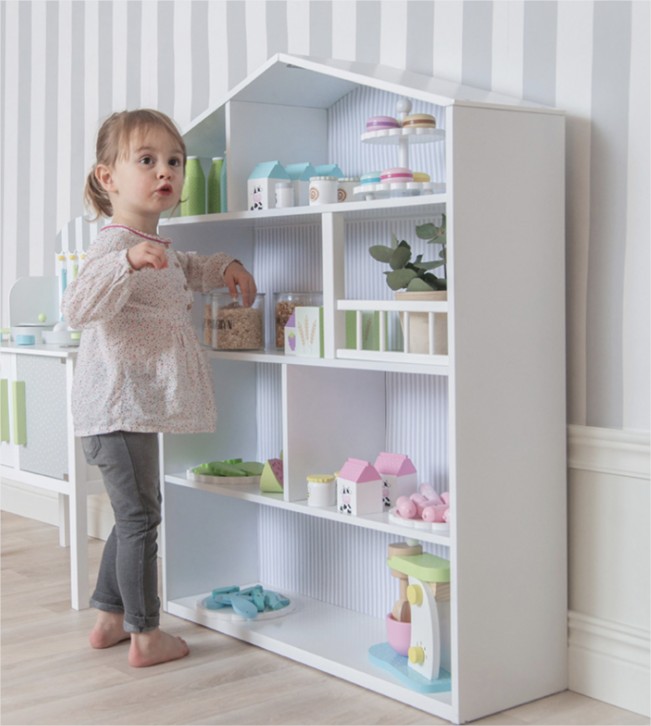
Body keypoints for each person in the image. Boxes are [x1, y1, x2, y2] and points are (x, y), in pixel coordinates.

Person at [62, 109, 256, 667]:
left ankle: (109, 617)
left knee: (136, 514)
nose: (164, 171)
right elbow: (77, 308)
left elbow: (185, 266)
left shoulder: (151, 243)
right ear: (108, 177)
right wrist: (124, 262)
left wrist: (226, 266)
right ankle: (146, 635)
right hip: (115, 408)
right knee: (141, 519)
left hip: (130, 409)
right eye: (146, 160)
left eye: (174, 161)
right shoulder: (113, 246)